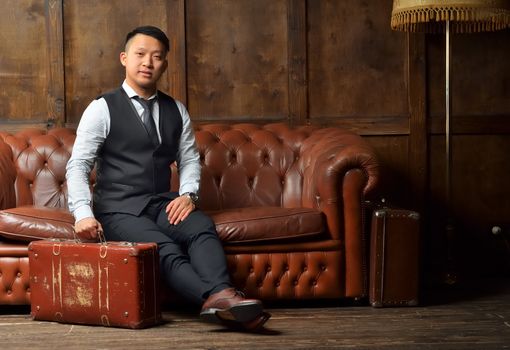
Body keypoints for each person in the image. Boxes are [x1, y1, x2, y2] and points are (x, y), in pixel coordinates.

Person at [66, 25, 270, 331]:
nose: (148, 62)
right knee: (164, 248)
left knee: (201, 226)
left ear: (164, 64)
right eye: (140, 54)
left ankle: (225, 299)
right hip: (118, 208)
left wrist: (188, 195)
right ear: (124, 58)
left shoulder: (176, 109)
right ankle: (219, 299)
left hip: (161, 202)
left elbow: (188, 159)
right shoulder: (102, 109)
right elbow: (78, 164)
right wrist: (82, 214)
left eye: (157, 57)